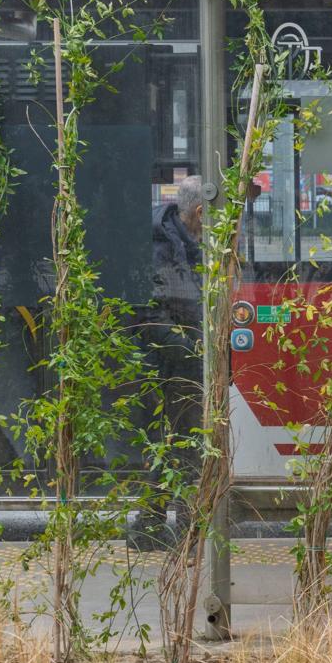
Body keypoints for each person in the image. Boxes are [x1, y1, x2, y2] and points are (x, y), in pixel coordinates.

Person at [135, 176, 207, 550]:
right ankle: (180, 530)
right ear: (200, 212)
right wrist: (193, 352)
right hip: (170, 365)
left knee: (175, 444)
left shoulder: (183, 242)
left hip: (180, 362)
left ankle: (152, 527)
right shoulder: (163, 247)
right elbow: (152, 317)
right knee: (183, 445)